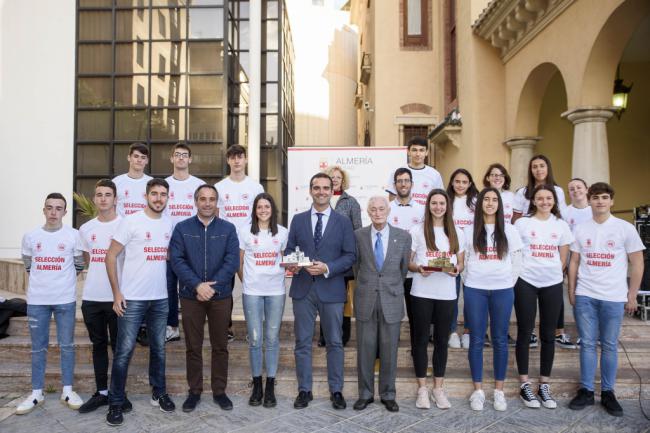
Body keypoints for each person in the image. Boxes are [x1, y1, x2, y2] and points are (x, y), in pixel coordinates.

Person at [568, 182, 645, 417]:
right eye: (595, 197)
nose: (600, 201)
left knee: (610, 345)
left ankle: (609, 392)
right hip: (586, 295)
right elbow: (574, 262)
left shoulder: (625, 228)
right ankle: (587, 391)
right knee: (588, 344)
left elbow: (638, 262)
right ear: (589, 201)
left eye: (604, 197)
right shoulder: (581, 228)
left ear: (611, 201)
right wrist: (572, 290)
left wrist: (632, 295)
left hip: (613, 296)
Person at [105, 178, 175, 426]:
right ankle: (115, 403)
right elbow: (110, 256)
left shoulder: (169, 223)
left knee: (159, 349)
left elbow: (168, 256)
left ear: (168, 198)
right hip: (132, 299)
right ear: (146, 196)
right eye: (154, 194)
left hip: (160, 299)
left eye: (163, 194)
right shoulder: (131, 221)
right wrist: (117, 293)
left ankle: (159, 392)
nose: (158, 198)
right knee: (123, 352)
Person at [286, 172, 356, 410]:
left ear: (332, 191)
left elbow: (350, 256)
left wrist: (327, 267)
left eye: (326, 188)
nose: (322, 192)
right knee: (302, 343)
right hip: (303, 289)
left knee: (335, 342)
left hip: (332, 288)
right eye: (317, 187)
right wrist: (293, 263)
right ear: (310, 190)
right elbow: (289, 250)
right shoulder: (297, 220)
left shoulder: (343, 222)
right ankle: (304, 390)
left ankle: (336, 390)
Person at [170, 184, 239, 413]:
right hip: (191, 296)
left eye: (211, 199)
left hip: (221, 297)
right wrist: (197, 285)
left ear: (217, 202)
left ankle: (219, 391)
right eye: (203, 199)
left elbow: (231, 261)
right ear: (196, 201)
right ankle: (194, 391)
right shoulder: (182, 228)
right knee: (193, 346)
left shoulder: (228, 229)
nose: (207, 203)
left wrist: (213, 286)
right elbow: (177, 260)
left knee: (220, 346)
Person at [16, 193, 84, 415]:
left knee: (67, 346)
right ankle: (37, 392)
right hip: (37, 301)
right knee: (38, 348)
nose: (54, 212)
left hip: (64, 300)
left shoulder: (74, 236)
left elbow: (78, 266)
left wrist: (60, 283)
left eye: (58, 208)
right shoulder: (30, 236)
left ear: (65, 212)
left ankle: (67, 390)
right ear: (43, 210)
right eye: (49, 208)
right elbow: (28, 265)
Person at [513, 185, 573, 409]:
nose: (545, 201)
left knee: (548, 334)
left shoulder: (561, 225)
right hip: (526, 281)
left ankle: (544, 385)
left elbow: (564, 254)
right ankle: (524, 384)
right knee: (525, 331)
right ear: (534, 201)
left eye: (549, 198)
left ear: (554, 201)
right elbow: (515, 250)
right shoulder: (522, 223)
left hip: (552, 283)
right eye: (540, 198)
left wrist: (555, 272)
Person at [464, 188, 523, 412]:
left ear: (500, 204)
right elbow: (465, 259)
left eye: (494, 200)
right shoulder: (469, 230)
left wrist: (508, 281)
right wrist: (470, 281)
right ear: (480, 205)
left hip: (503, 290)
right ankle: (478, 391)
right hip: (475, 290)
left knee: (499, 339)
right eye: (486, 199)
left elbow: (517, 260)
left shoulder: (510, 230)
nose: (489, 203)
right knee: (477, 339)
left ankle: (499, 391)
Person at [77, 180, 132, 414]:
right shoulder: (86, 229)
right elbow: (89, 261)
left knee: (120, 348)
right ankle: (101, 393)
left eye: (108, 195)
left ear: (116, 199)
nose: (103, 199)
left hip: (118, 299)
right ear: (95, 199)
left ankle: (119, 393)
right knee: (98, 346)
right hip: (91, 298)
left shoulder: (126, 226)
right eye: (99, 194)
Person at [352, 196, 411, 413]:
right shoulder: (358, 236)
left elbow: (402, 270)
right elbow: (356, 268)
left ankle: (388, 394)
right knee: (365, 351)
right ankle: (365, 394)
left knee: (389, 351)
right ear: (368, 212)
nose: (378, 213)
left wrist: (389, 286)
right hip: (366, 299)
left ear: (388, 211)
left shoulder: (403, 237)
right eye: (373, 209)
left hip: (391, 300)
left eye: (381, 209)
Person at [408, 189, 465, 409]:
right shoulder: (417, 230)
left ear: (447, 206)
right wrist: (419, 268)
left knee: (442, 342)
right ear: (428, 205)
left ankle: (438, 389)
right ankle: (422, 388)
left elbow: (460, 263)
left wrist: (456, 269)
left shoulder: (457, 231)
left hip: (447, 294)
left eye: (442, 203)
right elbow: (408, 262)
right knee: (420, 341)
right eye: (434, 203)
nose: (438, 207)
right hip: (422, 293)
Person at [238, 193, 288, 408]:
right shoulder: (245, 232)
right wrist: (247, 283)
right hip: (252, 292)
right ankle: (257, 383)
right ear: (255, 210)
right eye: (259, 207)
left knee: (272, 338)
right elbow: (238, 262)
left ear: (272, 209)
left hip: (276, 291)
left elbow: (287, 261)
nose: (263, 210)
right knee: (256, 339)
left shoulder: (283, 233)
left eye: (267, 206)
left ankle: (270, 385)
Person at [215, 144, 264, 342]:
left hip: (249, 245)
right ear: (228, 161)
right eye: (232, 157)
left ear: (245, 160)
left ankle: (255, 328)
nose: (236, 161)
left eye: (240, 157)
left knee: (252, 287)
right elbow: (216, 217)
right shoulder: (219, 187)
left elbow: (261, 215)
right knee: (224, 288)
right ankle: (225, 327)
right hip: (225, 245)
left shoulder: (255, 187)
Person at [164, 143, 205, 343]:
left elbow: (206, 215)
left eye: (184, 155)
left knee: (191, 288)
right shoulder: (162, 185)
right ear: (172, 159)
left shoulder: (199, 185)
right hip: (168, 246)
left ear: (190, 159)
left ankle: (193, 328)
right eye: (177, 155)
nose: (181, 158)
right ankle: (172, 327)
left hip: (192, 246)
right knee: (169, 288)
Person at [320, 165, 362, 347]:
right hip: (325, 260)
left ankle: (343, 336)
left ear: (343, 180)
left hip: (344, 263)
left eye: (338, 177)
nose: (335, 179)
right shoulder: (321, 200)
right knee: (325, 299)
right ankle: (324, 336)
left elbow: (358, 231)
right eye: (332, 177)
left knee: (343, 302)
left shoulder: (351, 202)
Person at [388, 167, 425, 354]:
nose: (403, 184)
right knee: (391, 316)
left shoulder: (422, 209)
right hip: (391, 274)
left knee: (416, 316)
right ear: (394, 185)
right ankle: (388, 351)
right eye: (400, 181)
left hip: (414, 273)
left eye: (406, 180)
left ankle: (417, 353)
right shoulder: (386, 209)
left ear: (412, 184)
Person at [556, 178, 593, 349]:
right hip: (572, 256)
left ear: (587, 189)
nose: (576, 191)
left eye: (579, 187)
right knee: (576, 295)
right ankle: (581, 333)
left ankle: (590, 332)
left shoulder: (595, 209)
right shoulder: (564, 212)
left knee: (590, 295)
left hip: (592, 256)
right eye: (571, 189)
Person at [446, 169, 478, 350]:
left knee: (470, 296)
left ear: (470, 184)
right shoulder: (447, 200)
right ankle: (451, 332)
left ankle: (468, 331)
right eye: (457, 181)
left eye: (464, 182)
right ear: (451, 182)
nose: (460, 185)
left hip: (473, 254)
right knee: (452, 294)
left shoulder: (476, 201)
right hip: (452, 254)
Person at [386, 137, 444, 206]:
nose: (418, 154)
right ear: (408, 152)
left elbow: (440, 197)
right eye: (414, 150)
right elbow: (392, 197)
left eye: (421, 150)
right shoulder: (398, 172)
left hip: (426, 216)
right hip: (405, 215)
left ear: (426, 152)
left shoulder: (435, 174)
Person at [512, 154, 567, 222]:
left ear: (548, 168)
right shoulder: (522, 192)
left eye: (542, 166)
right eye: (535, 167)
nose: (538, 169)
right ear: (531, 170)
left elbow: (562, 215)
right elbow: (515, 219)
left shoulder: (558, 191)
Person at [113, 142, 153, 217]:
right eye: (136, 156)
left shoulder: (152, 183)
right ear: (129, 157)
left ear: (147, 161)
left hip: (144, 227)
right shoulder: (116, 182)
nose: (139, 160)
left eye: (143, 157)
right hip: (122, 227)